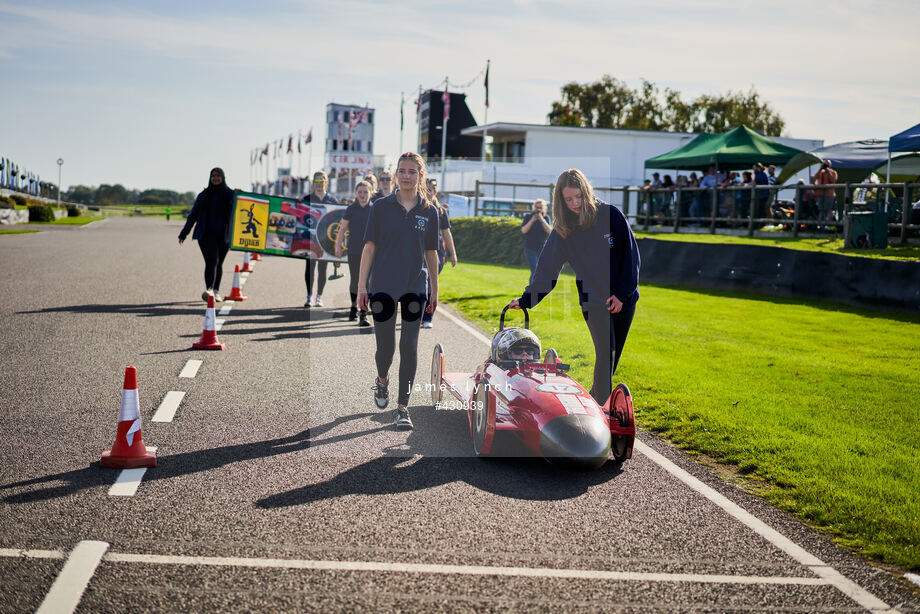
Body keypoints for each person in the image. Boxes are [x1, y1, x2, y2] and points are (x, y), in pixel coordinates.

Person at [507, 168, 640, 406]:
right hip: (593, 299)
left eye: (578, 197)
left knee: (612, 357)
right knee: (605, 353)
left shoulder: (610, 215)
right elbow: (547, 269)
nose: (575, 203)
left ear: (586, 192)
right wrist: (527, 300)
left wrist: (621, 294)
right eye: (568, 199)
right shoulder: (563, 230)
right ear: (560, 200)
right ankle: (599, 406)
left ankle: (595, 401)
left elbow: (631, 258)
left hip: (624, 298)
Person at [357, 152, 440, 430]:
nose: (406, 176)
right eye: (402, 171)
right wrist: (361, 287)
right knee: (386, 349)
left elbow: (431, 253)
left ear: (420, 175)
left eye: (411, 171)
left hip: (415, 286)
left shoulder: (430, 211)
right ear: (395, 175)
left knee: (410, 345)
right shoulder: (380, 207)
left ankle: (402, 407)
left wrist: (434, 290)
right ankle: (382, 381)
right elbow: (368, 248)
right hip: (382, 286)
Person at [178, 167, 235, 302]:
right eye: (213, 176)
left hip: (224, 235)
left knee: (219, 263)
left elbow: (245, 207)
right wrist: (184, 233)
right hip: (206, 234)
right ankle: (209, 289)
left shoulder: (230, 194)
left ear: (223, 177)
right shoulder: (203, 195)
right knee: (212, 261)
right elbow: (193, 216)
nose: (215, 178)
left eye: (218, 176)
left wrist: (239, 194)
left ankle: (216, 291)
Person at [335, 180, 373, 327]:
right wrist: (338, 247)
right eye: (360, 192)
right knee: (355, 280)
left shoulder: (374, 208)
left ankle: (363, 313)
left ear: (370, 193)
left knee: (367, 282)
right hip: (354, 250)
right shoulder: (351, 208)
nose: (362, 195)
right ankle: (353, 306)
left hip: (370, 251)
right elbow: (342, 229)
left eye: (365, 192)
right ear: (355, 193)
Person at [421, 178, 457, 329]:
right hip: (418, 252)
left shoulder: (440, 211)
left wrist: (453, 253)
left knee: (430, 284)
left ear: (435, 192)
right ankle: (416, 312)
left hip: (436, 253)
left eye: (432, 190)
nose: (429, 192)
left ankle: (427, 317)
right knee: (419, 285)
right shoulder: (419, 209)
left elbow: (447, 233)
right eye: (426, 189)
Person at [303, 171, 338, 308]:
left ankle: (319, 296)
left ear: (326, 183)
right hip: (310, 240)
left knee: (323, 269)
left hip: (325, 241)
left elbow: (337, 220)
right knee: (310, 268)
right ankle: (309, 296)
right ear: (313, 183)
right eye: (317, 181)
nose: (319, 184)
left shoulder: (332, 200)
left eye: (322, 181)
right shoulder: (306, 198)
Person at [520, 199, 552, 283]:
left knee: (540, 271)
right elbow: (523, 230)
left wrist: (542, 220)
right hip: (530, 248)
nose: (538, 209)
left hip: (542, 249)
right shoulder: (528, 217)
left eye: (540, 208)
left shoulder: (546, 218)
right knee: (534, 270)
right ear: (534, 207)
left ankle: (537, 289)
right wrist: (532, 220)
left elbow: (549, 231)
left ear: (544, 208)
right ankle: (531, 291)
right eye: (537, 207)